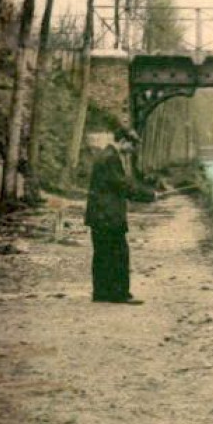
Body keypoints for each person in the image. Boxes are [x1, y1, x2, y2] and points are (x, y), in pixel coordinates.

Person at [86, 128, 144, 304]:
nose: (132, 151)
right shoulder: (112, 158)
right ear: (124, 142)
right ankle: (120, 294)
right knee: (119, 253)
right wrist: (148, 195)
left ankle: (101, 293)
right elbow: (122, 185)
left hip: (99, 214)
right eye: (132, 147)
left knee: (102, 254)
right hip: (109, 215)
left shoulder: (105, 155)